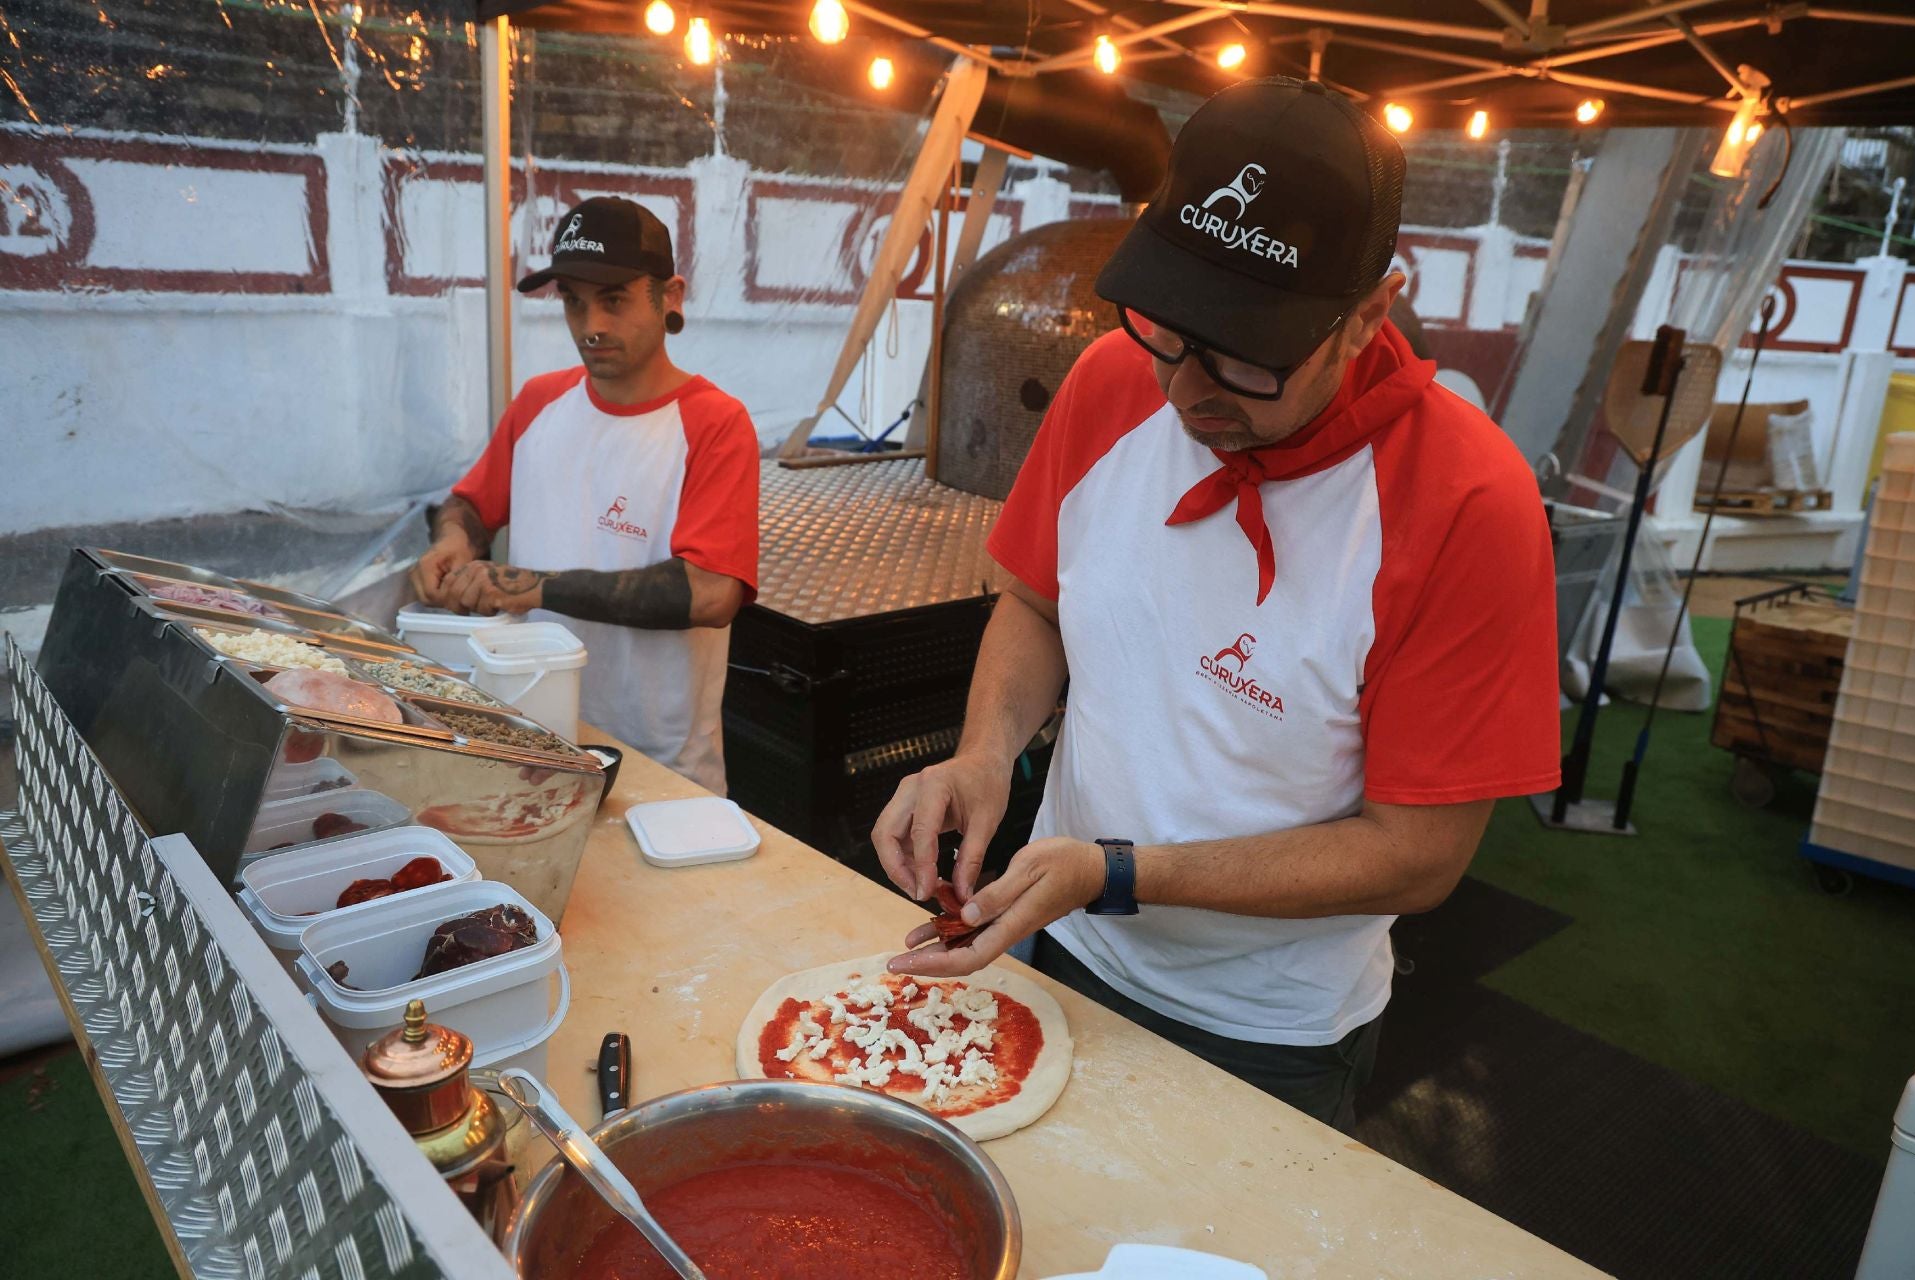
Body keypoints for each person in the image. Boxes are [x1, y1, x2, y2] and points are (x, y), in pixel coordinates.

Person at [871, 77, 1560, 1132]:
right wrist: (982, 751)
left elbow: (1420, 852)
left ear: (1369, 311)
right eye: (1171, 327)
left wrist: (1119, 873)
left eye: (1248, 350)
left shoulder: (1467, 501)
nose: (1191, 390)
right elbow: (1036, 601)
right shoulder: (1114, 381)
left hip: (1267, 1030)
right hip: (1054, 943)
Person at [411, 197, 759, 795]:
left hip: (659, 766)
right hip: (530, 735)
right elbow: (471, 503)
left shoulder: (715, 423)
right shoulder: (539, 402)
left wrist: (525, 583)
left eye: (614, 299)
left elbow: (711, 593)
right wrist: (452, 541)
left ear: (670, 296)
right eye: (573, 301)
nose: (590, 324)